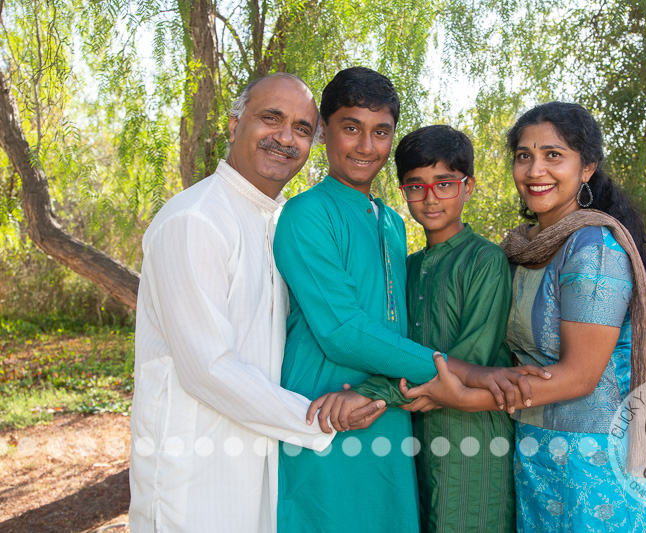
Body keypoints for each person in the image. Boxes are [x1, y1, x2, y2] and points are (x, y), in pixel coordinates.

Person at [273, 68, 542, 533]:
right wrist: (468, 372)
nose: (365, 146)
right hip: (330, 412)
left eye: (380, 132)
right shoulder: (305, 213)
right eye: (350, 127)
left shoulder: (394, 225)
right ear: (323, 129)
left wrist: (401, 390)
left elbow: (398, 326)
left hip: (396, 418)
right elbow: (342, 331)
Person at [129, 73, 384, 533]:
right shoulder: (196, 219)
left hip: (265, 460)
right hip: (195, 472)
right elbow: (208, 367)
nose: (286, 138)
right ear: (233, 125)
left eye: (302, 129)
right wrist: (318, 420)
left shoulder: (282, 221)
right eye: (271, 118)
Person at [402, 102, 646, 532]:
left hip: (594, 461)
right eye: (524, 156)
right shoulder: (524, 250)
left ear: (587, 168)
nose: (535, 169)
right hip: (533, 449)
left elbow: (579, 377)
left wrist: (466, 398)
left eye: (553, 155)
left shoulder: (594, 248)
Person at [347, 124, 519, 532]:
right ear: (403, 191)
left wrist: (372, 394)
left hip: (473, 434)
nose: (430, 198)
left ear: (468, 186)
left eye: (444, 184)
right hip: (416, 431)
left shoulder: (486, 261)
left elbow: (471, 359)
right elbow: (391, 346)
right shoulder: (406, 268)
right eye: (415, 186)